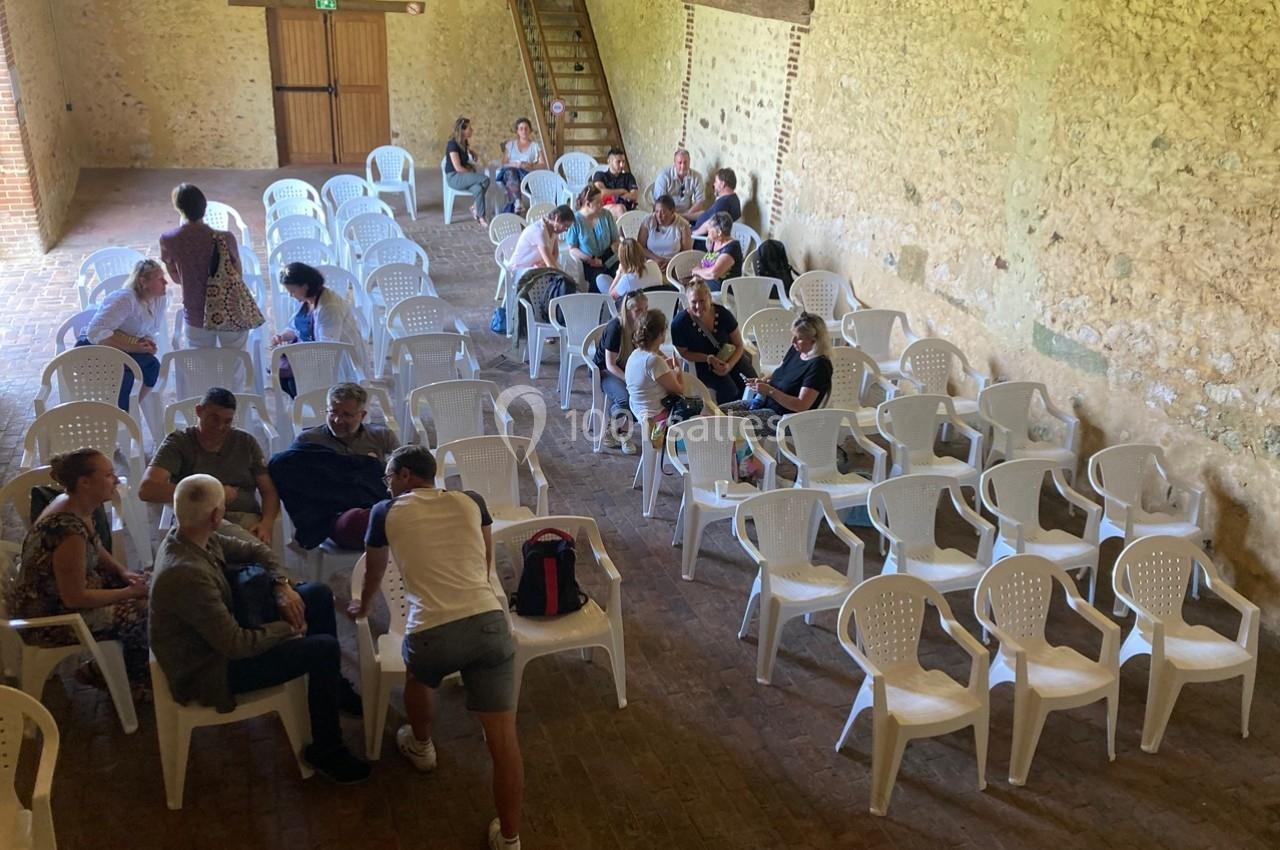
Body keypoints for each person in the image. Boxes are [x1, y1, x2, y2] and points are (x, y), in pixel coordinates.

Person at [351, 445, 522, 850]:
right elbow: (483, 563)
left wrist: (366, 603)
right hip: (489, 624)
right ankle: (511, 838)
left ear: (406, 475)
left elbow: (375, 569)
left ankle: (422, 745)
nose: (387, 485)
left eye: (389, 477)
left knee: (418, 676)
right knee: (503, 741)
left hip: (431, 632)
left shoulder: (384, 512)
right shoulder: (471, 501)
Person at [150, 474, 370, 784]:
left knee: (317, 594)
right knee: (322, 649)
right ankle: (327, 748)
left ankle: (330, 691)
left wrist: (282, 587)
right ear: (217, 514)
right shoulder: (185, 573)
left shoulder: (191, 534)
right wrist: (288, 628)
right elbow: (236, 645)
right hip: (211, 669)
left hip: (222, 631)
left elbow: (256, 552)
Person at [5, 449, 151, 697]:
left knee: (151, 583)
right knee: (143, 613)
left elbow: (96, 546)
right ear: (85, 482)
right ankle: (120, 678)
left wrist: (124, 573)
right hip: (49, 617)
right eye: (108, 474)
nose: (115, 480)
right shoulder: (67, 531)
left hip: (69, 594)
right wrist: (127, 592)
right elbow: (75, 598)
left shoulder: (77, 505)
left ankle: (128, 670)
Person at [140, 388, 281, 546]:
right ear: (199, 412)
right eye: (214, 419)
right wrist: (214, 492)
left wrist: (266, 524)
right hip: (197, 519)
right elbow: (147, 489)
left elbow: (268, 490)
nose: (220, 427)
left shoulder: (246, 442)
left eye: (227, 421)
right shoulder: (178, 442)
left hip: (243, 517)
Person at [76, 258, 170, 412]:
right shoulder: (125, 299)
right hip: (96, 345)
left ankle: (130, 408)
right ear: (143, 282)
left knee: (152, 366)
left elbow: (149, 329)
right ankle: (119, 413)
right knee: (126, 374)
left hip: (125, 344)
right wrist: (133, 347)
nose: (165, 282)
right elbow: (95, 332)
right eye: (159, 279)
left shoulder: (159, 299)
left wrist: (147, 343)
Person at [160, 183, 245, 349]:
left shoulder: (169, 240)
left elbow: (176, 279)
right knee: (237, 362)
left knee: (202, 365)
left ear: (179, 209)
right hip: (228, 309)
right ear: (204, 208)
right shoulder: (226, 238)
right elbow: (237, 275)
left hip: (195, 313)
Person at [721, 311, 833, 437]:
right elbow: (780, 370)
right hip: (766, 403)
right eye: (793, 336)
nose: (793, 341)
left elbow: (801, 405)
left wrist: (769, 391)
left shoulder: (819, 366)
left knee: (725, 424)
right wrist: (762, 381)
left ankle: (732, 454)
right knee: (717, 412)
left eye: (799, 338)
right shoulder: (797, 350)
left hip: (784, 419)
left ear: (814, 340)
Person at [269, 262, 372, 395]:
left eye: (293, 291)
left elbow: (327, 350)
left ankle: (317, 411)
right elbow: (296, 327)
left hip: (337, 362)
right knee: (284, 378)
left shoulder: (329, 308)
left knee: (293, 382)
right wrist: (282, 337)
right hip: (314, 355)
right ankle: (305, 407)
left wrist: (298, 360)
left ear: (305, 286)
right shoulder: (306, 300)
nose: (291, 295)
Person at [671, 280, 756, 404]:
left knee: (752, 383)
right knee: (730, 391)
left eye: (702, 301)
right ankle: (729, 417)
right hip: (703, 364)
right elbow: (683, 353)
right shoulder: (680, 323)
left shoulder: (723, 314)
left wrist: (729, 365)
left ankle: (754, 411)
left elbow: (738, 345)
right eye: (694, 302)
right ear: (688, 302)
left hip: (730, 357)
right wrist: (708, 358)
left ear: (709, 299)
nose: (698, 306)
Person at [593, 291, 648, 454]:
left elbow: (651, 348)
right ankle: (622, 433)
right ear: (628, 310)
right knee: (625, 399)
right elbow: (610, 365)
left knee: (648, 394)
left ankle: (616, 431)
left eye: (646, 309)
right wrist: (630, 381)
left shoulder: (643, 325)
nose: (643, 313)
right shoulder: (615, 327)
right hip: (605, 371)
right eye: (638, 310)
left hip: (628, 368)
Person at [293, 382, 399, 462]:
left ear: (362, 416)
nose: (337, 420)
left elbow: (404, 468)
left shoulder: (383, 437)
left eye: (347, 415)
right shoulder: (308, 440)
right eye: (333, 412)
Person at [624, 308, 685, 427]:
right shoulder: (654, 361)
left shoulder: (635, 354)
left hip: (639, 409)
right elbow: (679, 389)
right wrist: (678, 371)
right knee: (700, 411)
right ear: (661, 334)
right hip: (656, 415)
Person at [565, 185, 621, 285]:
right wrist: (589, 259)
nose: (603, 203)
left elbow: (616, 241)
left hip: (610, 259)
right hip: (590, 264)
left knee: (623, 277)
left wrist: (603, 260)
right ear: (588, 204)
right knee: (601, 281)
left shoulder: (606, 215)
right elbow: (572, 248)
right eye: (599, 202)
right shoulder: (575, 221)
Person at [508, 204, 574, 285]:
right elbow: (550, 264)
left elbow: (555, 254)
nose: (565, 230)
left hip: (534, 267)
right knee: (558, 281)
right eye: (565, 226)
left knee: (557, 277)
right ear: (557, 219)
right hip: (519, 270)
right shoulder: (539, 231)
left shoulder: (554, 230)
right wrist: (565, 278)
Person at [445, 116, 491, 226]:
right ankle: (476, 208)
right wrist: (471, 173)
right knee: (485, 179)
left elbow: (464, 152)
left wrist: (472, 152)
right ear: (462, 130)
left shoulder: (464, 143)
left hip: (462, 177)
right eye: (469, 128)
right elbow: (458, 168)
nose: (472, 130)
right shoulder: (452, 144)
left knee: (478, 189)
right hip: (454, 177)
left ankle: (480, 216)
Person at [496, 117, 547, 215]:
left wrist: (530, 165)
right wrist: (514, 164)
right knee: (511, 171)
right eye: (521, 128)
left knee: (514, 175)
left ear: (530, 131)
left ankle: (516, 204)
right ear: (517, 131)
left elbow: (543, 164)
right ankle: (518, 202)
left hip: (526, 174)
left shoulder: (535, 146)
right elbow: (503, 163)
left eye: (526, 128)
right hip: (510, 174)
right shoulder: (510, 145)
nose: (524, 131)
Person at [687, 212, 743, 292]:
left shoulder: (732, 248)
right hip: (705, 284)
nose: (707, 231)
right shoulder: (715, 241)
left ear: (719, 232)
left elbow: (714, 273)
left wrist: (697, 271)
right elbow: (705, 262)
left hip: (722, 291)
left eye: (710, 229)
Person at [637, 194, 693, 274]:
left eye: (663, 212)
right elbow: (640, 247)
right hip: (651, 263)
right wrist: (656, 259)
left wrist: (670, 263)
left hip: (674, 265)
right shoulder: (648, 221)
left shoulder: (683, 225)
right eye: (656, 212)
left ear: (672, 211)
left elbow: (686, 253)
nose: (659, 216)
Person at [654, 149, 707, 219]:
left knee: (704, 215)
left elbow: (700, 201)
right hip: (667, 214)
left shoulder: (697, 177)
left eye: (685, 162)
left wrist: (686, 215)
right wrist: (674, 216)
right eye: (680, 163)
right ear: (674, 163)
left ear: (689, 162)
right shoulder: (663, 176)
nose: (683, 166)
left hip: (688, 214)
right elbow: (661, 203)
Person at [692, 168, 742, 236]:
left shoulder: (724, 203)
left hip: (701, 239)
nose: (714, 184)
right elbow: (706, 214)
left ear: (722, 184)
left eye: (716, 181)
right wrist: (684, 215)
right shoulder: (733, 199)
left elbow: (711, 224)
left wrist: (693, 233)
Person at [591, 148, 638, 219]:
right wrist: (622, 191)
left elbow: (634, 195)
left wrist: (616, 197)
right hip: (604, 208)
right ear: (609, 161)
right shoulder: (600, 175)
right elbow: (601, 193)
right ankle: (624, 230)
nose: (622, 165)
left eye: (623, 162)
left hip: (627, 208)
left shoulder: (628, 176)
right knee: (620, 208)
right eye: (618, 162)